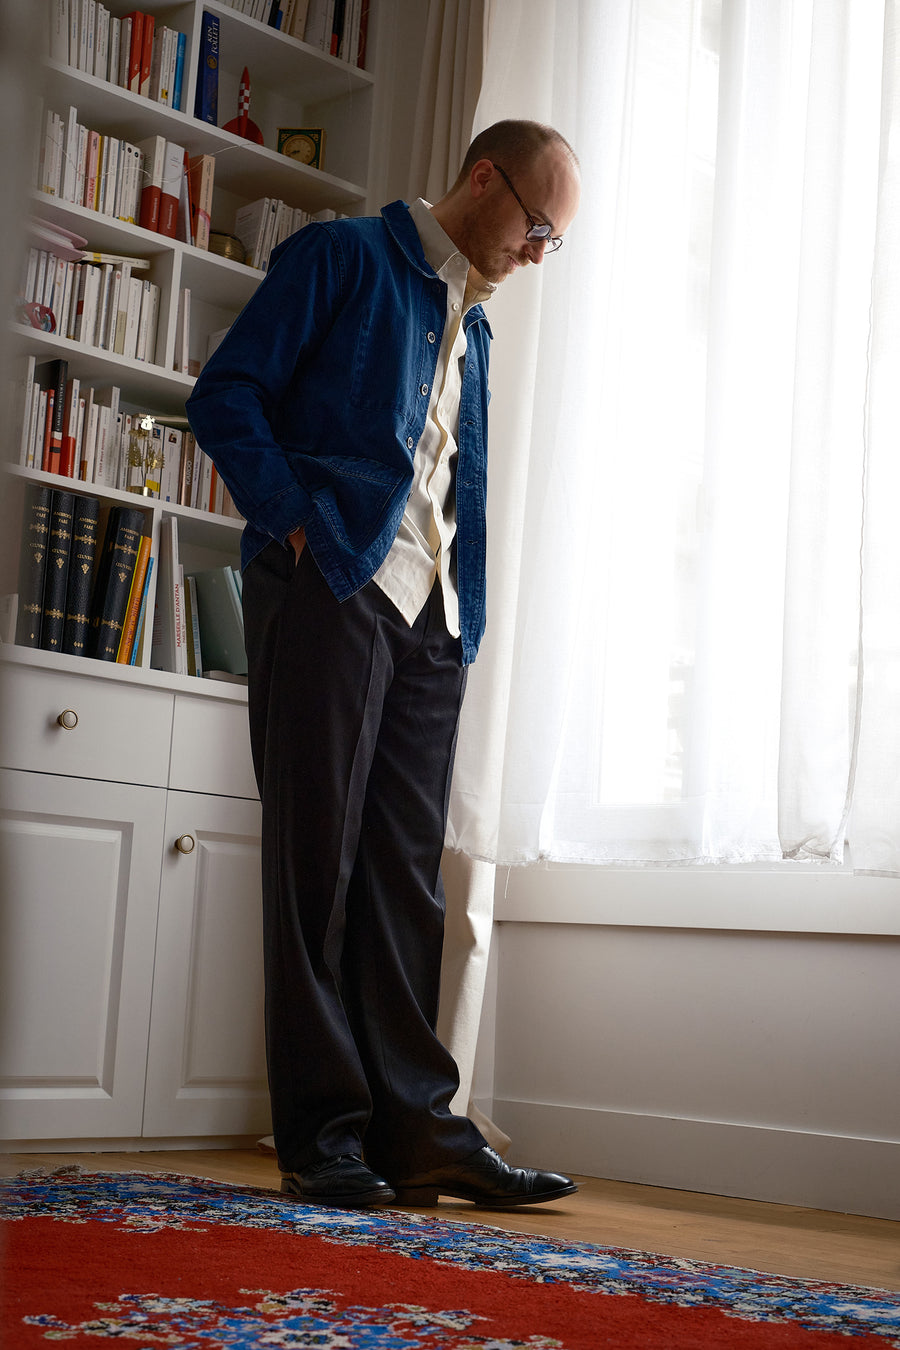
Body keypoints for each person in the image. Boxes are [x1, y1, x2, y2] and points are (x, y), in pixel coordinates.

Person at [186, 120, 582, 1209]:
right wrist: (299, 527)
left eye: (557, 239)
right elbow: (225, 396)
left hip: (435, 621)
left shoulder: (481, 327)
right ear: (482, 177)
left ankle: (420, 1130)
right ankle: (325, 1136)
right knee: (315, 861)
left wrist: (467, 613)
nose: (540, 251)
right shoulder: (343, 257)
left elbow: (450, 478)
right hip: (336, 585)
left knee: (405, 874)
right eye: (537, 224)